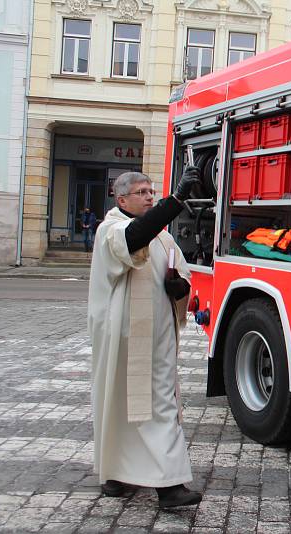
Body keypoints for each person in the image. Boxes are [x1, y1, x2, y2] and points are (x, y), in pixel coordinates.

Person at [88, 166, 203, 508]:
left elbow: (182, 275)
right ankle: (115, 471)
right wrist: (177, 199)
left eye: (152, 191)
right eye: (142, 193)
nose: (150, 197)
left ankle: (169, 487)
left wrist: (179, 287)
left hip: (157, 340)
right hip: (121, 340)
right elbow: (133, 238)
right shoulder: (110, 230)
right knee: (117, 403)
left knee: (161, 405)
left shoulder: (164, 238)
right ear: (120, 198)